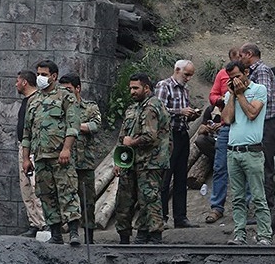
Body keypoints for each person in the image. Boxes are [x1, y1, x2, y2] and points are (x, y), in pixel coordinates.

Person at [21, 60, 81, 246]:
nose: (40, 77)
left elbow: (73, 125)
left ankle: (73, 233)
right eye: (38, 73)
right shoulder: (34, 101)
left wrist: (66, 149)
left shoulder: (65, 96)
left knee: (67, 192)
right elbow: (27, 133)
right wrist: (25, 158)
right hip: (40, 157)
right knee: (46, 195)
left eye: (44, 74)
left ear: (54, 76)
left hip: (60, 156)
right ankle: (55, 234)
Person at [114, 73, 171, 244]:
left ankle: (153, 236)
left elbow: (149, 136)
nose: (132, 91)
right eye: (130, 88)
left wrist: (132, 142)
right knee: (124, 200)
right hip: (130, 162)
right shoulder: (133, 108)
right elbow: (122, 136)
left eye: (135, 88)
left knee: (149, 199)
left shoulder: (152, 107)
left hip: (150, 162)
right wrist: (118, 160)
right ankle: (126, 237)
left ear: (146, 88)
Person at [221, 60, 272, 245]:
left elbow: (252, 114)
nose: (235, 80)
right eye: (231, 78)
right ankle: (239, 234)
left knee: (258, 196)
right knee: (237, 197)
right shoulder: (231, 94)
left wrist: (241, 94)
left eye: (237, 76)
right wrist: (232, 96)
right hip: (233, 151)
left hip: (252, 151)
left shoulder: (259, 90)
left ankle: (265, 235)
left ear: (247, 72)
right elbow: (227, 119)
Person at [155, 59, 199, 228]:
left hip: (182, 133)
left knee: (181, 177)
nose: (188, 78)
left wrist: (191, 114)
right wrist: (180, 111)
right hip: (168, 136)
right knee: (165, 176)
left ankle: (180, 217)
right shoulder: (164, 86)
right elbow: (158, 111)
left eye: (190, 76)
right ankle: (162, 216)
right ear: (177, 70)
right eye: (186, 74)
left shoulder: (184, 90)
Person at [59, 73, 102, 244]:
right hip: (66, 163)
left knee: (88, 201)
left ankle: (89, 237)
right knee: (68, 198)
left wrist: (74, 126)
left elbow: (95, 125)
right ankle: (73, 234)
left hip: (85, 162)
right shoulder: (60, 107)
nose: (66, 94)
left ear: (78, 88)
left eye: (69, 89)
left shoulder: (89, 107)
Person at [239, 43, 275, 228]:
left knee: (265, 168)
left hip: (266, 124)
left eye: (241, 55)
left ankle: (268, 216)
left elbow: (264, 97)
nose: (239, 59)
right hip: (261, 125)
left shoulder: (261, 71)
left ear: (249, 54)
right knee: (261, 169)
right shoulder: (254, 71)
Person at [206, 47, 242, 224]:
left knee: (246, 167)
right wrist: (221, 99)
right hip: (225, 123)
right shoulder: (221, 75)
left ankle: (245, 208)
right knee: (220, 166)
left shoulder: (252, 82)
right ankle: (216, 207)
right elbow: (212, 95)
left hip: (243, 126)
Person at [14, 70, 46, 238]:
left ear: (25, 82)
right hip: (24, 148)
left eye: (17, 81)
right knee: (25, 187)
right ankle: (34, 223)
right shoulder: (26, 101)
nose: (16, 84)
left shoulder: (37, 101)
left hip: (34, 149)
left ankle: (43, 224)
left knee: (35, 186)